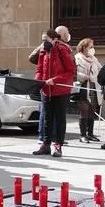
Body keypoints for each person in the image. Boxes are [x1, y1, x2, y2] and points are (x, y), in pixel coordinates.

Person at [33, 29, 75, 157]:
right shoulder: (43, 51)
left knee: (60, 119)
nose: (43, 42)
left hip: (61, 90)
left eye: (45, 39)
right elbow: (39, 68)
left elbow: (70, 71)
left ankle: (58, 145)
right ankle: (45, 145)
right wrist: (38, 80)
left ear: (54, 39)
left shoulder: (63, 49)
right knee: (47, 118)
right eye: (42, 40)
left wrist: (55, 80)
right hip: (46, 90)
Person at [74, 38, 102, 143]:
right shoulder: (77, 58)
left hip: (93, 86)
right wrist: (85, 76)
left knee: (92, 110)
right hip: (83, 86)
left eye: (93, 47)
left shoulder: (94, 59)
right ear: (84, 47)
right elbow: (74, 72)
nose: (92, 49)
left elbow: (100, 69)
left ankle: (90, 133)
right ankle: (82, 135)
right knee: (84, 111)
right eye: (91, 47)